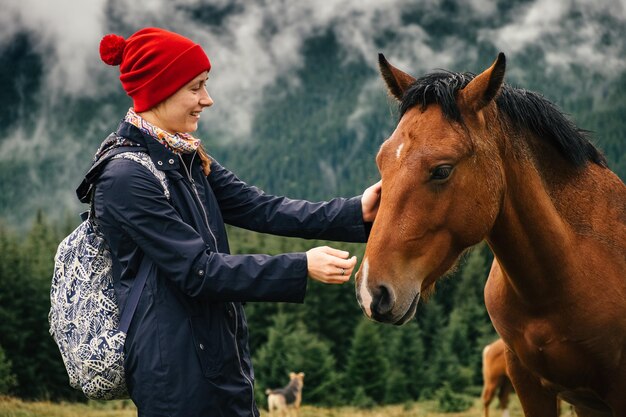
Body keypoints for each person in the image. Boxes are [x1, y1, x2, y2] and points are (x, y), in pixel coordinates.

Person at [87, 27, 381, 417]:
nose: (207, 100)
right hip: (175, 376)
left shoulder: (183, 155)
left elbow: (261, 207)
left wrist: (355, 210)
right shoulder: (125, 178)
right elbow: (199, 271)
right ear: (160, 90)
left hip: (219, 358)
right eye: (196, 87)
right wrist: (301, 265)